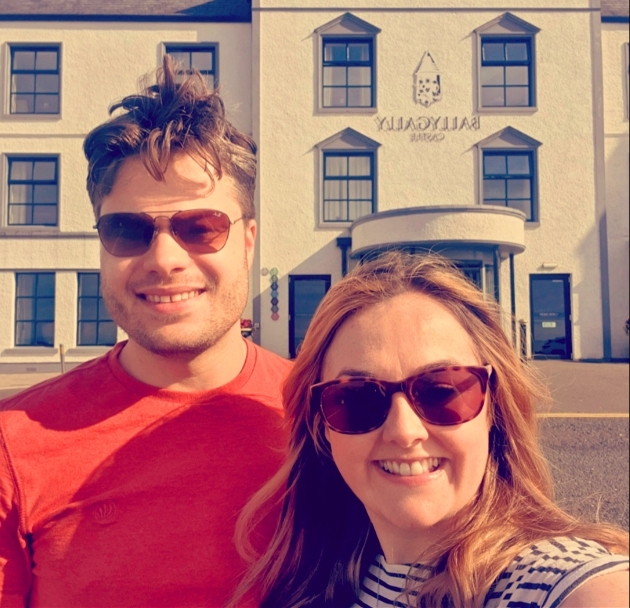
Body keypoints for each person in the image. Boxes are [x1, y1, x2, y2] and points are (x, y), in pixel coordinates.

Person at [0, 56, 291, 607]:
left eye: (200, 227)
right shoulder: (14, 446)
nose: (164, 260)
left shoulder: (337, 419)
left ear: (248, 241)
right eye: (129, 229)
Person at [234, 251, 629, 608]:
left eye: (441, 391)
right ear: (322, 428)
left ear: (494, 407)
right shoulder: (318, 578)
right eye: (357, 399)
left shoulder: (546, 584)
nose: (404, 431)